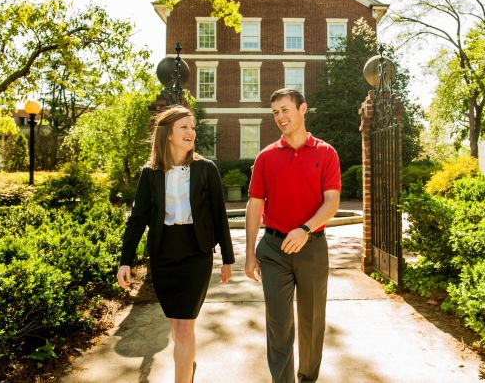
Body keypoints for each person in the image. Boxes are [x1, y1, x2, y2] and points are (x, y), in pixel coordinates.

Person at [116, 106, 234, 383]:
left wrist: (227, 259)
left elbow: (219, 216)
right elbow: (137, 219)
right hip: (164, 254)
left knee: (183, 329)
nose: (191, 132)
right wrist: (125, 260)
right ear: (168, 134)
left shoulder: (206, 169)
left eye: (192, 127)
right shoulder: (151, 173)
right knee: (176, 325)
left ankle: (183, 378)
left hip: (196, 254)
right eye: (184, 127)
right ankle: (187, 366)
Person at [245, 88, 341, 383]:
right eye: (275, 112)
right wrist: (250, 253)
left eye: (285, 110)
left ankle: (308, 379)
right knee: (279, 324)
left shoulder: (326, 153)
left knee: (312, 323)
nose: (280, 117)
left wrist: (305, 229)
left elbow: (332, 202)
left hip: (312, 247)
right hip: (274, 249)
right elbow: (255, 205)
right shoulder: (265, 157)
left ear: (303, 109)